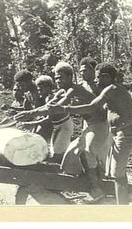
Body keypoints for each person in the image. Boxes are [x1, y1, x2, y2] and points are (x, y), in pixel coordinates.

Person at [15, 62, 111, 202]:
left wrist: (30, 114)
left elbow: (57, 108)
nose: (58, 80)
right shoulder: (61, 91)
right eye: (56, 77)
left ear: (70, 77)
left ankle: (98, 189)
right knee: (68, 160)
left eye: (61, 77)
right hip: (89, 126)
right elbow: (49, 106)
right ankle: (86, 185)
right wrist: (29, 113)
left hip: (100, 125)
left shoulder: (74, 89)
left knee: (89, 153)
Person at [49, 63, 132, 205]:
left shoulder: (112, 89)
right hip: (118, 133)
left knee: (117, 174)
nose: (96, 81)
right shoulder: (110, 89)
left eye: (98, 77)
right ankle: (118, 199)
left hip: (125, 134)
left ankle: (122, 208)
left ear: (107, 77)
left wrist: (67, 108)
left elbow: (92, 106)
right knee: (117, 172)